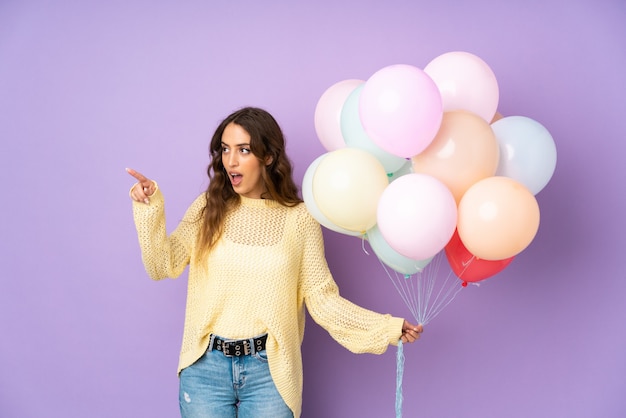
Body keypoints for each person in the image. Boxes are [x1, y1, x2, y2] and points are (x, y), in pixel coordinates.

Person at [127, 106, 423, 418]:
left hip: (270, 372)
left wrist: (384, 328)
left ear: (268, 156)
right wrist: (149, 208)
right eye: (226, 150)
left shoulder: (300, 219)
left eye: (244, 150)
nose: (231, 161)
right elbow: (162, 265)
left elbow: (323, 301)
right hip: (206, 369)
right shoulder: (207, 209)